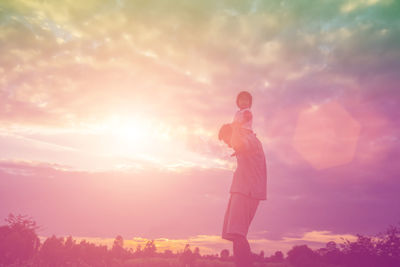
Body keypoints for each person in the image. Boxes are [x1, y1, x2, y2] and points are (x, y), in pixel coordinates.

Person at [218, 117, 267, 267]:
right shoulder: (246, 140)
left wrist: (236, 125)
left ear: (232, 133)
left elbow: (240, 144)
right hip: (242, 190)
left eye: (226, 140)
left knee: (238, 234)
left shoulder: (248, 140)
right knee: (234, 234)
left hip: (247, 191)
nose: (228, 145)